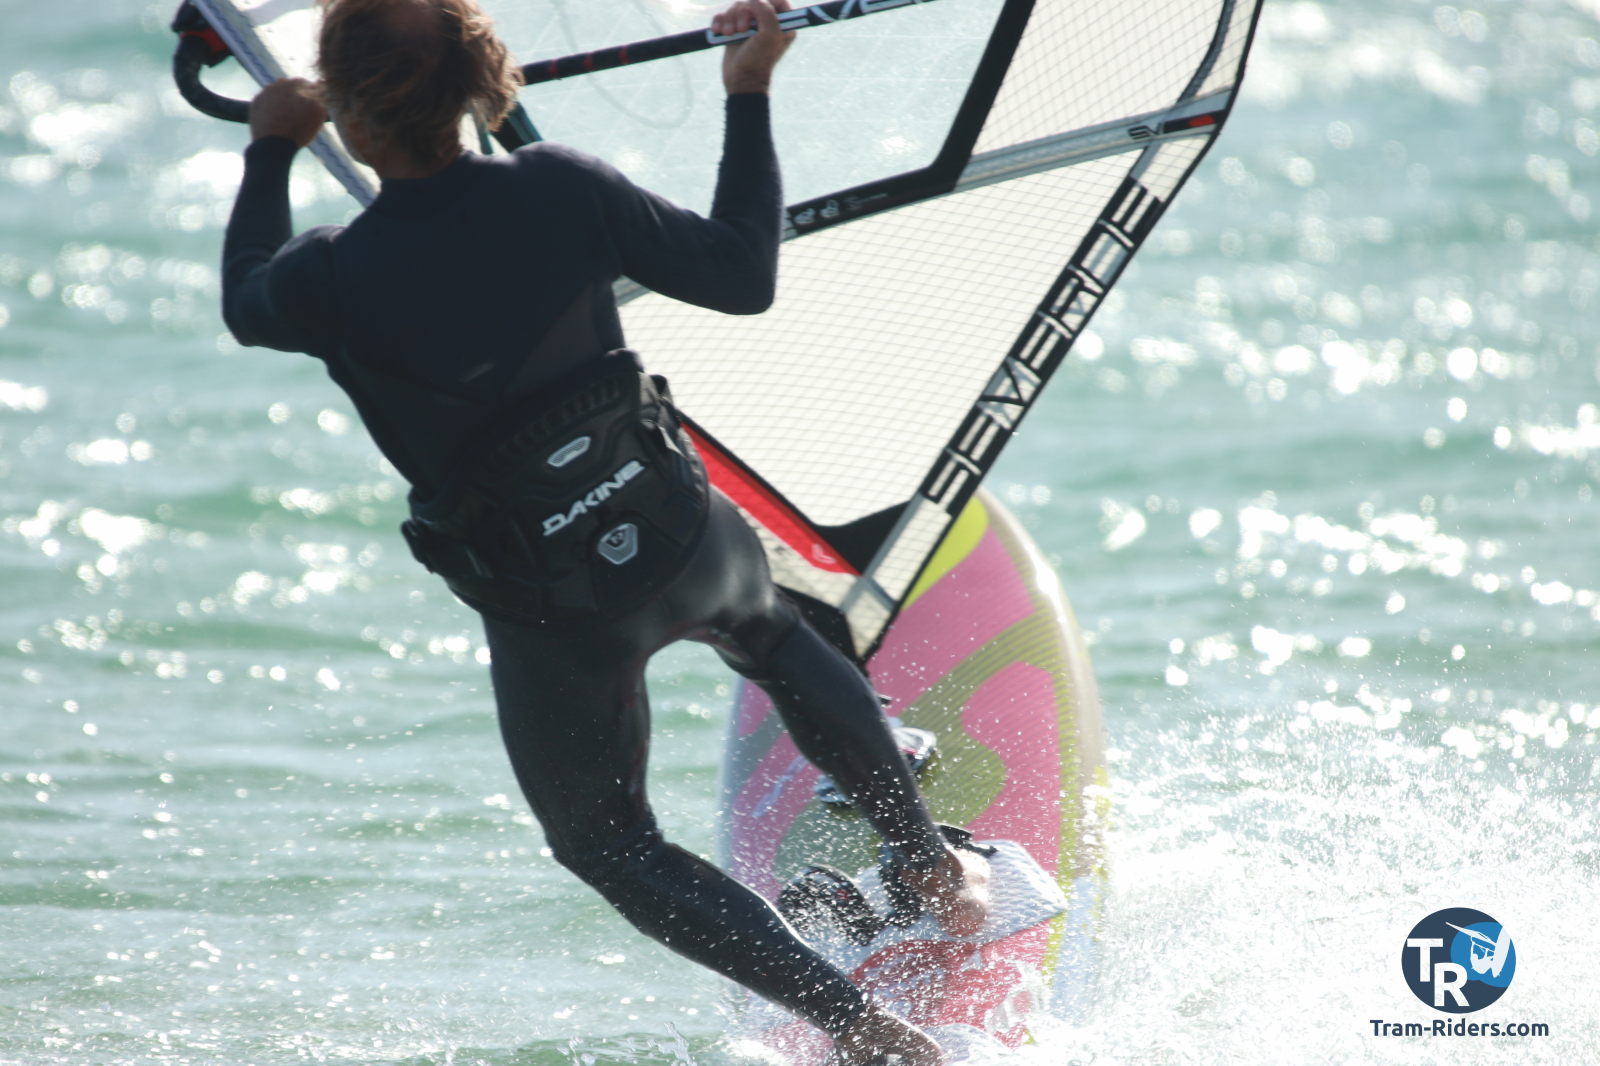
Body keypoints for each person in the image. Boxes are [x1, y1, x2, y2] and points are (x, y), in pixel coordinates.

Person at [220, 0, 990, 1060]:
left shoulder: (323, 277)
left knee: (610, 845)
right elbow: (741, 275)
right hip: (676, 530)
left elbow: (244, 298)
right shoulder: (559, 186)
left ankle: (863, 1031)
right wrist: (749, 91)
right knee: (771, 629)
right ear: (484, 84)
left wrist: (271, 148)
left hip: (555, 606)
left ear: (350, 117)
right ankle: (936, 871)